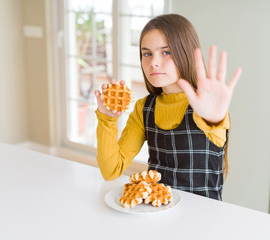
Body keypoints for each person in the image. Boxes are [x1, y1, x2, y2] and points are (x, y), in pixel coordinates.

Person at [94, 14, 242, 200]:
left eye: (166, 52)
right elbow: (111, 171)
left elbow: (214, 122)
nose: (153, 62)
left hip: (203, 219)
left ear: (185, 52)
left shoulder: (206, 106)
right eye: (147, 53)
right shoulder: (144, 108)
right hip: (157, 214)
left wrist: (214, 118)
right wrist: (107, 119)